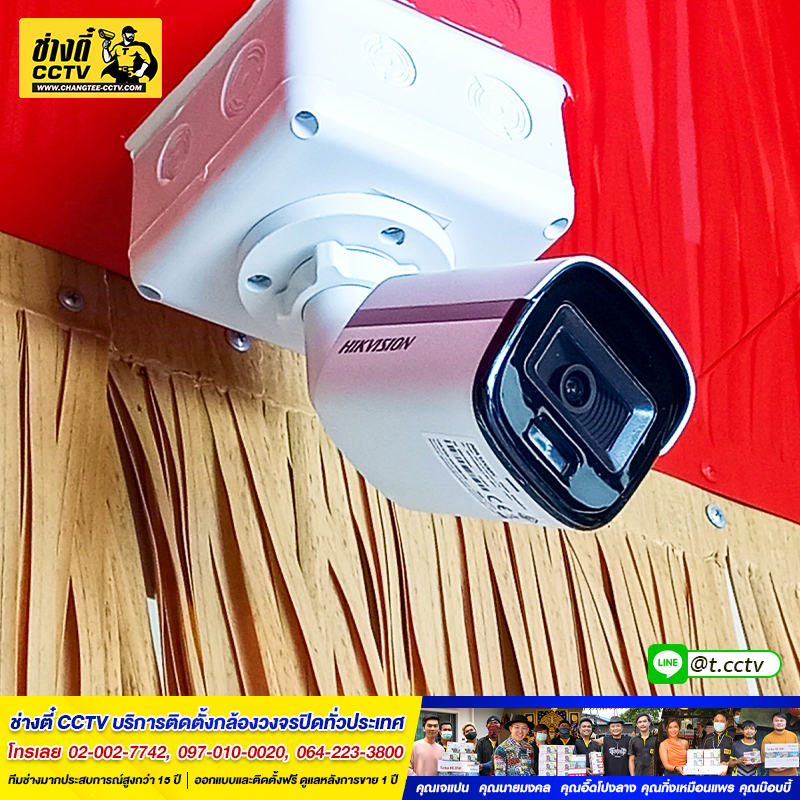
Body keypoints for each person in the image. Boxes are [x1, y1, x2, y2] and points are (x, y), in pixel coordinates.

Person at [761, 712, 799, 777]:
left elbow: (797, 750)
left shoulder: (793, 735)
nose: (779, 723)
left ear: (786, 722)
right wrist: (772, 768)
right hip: (775, 775)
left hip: (792, 773)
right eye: (776, 721)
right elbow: (764, 757)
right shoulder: (767, 738)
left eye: (781, 720)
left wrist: (798, 750)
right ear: (772, 723)